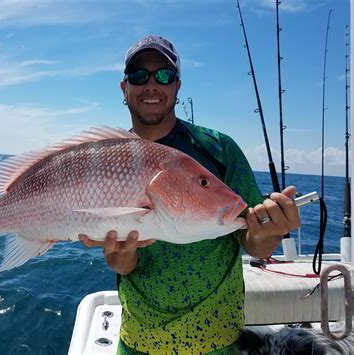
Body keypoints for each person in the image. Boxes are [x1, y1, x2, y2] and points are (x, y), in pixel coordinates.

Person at [80, 35, 300, 354]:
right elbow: (122, 266)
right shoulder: (106, 158)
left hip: (218, 341)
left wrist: (273, 230)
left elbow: (254, 242)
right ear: (124, 88)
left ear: (177, 86)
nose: (152, 85)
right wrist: (121, 254)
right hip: (139, 341)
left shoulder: (218, 150)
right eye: (139, 76)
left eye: (164, 75)